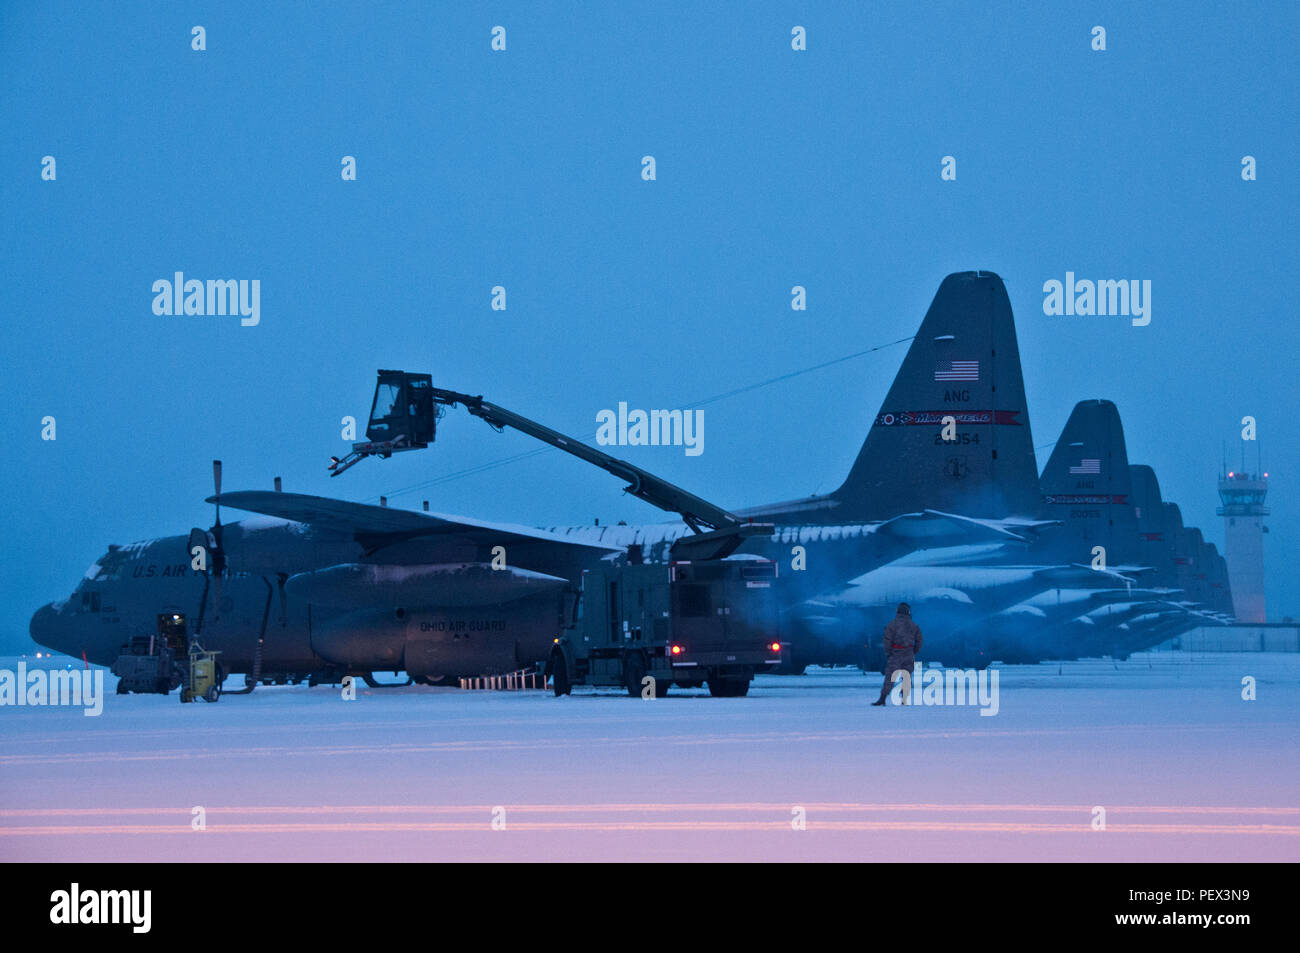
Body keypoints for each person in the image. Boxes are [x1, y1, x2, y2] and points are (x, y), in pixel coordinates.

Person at [872, 602, 922, 706]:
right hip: (908, 654)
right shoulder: (914, 625)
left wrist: (889, 653)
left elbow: (886, 640)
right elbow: (919, 641)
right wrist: (913, 652)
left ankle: (882, 698)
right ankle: (904, 699)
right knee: (907, 677)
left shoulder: (892, 624)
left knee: (890, 677)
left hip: (895, 654)